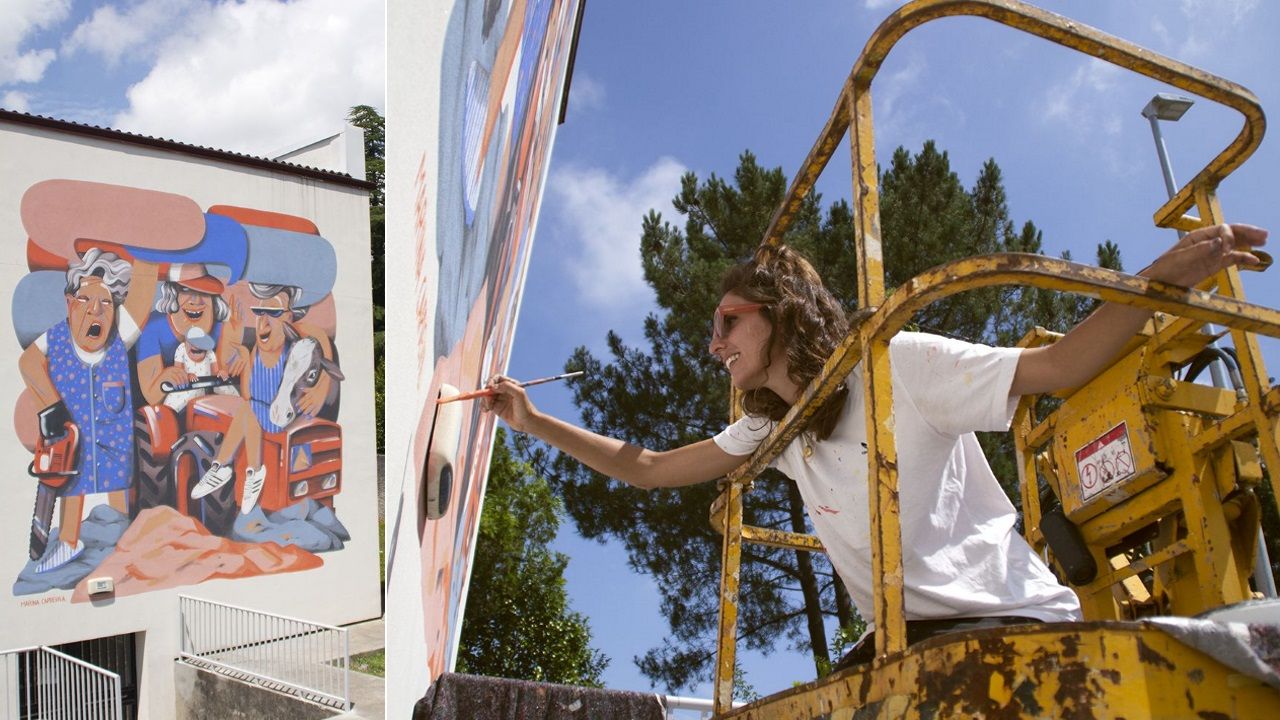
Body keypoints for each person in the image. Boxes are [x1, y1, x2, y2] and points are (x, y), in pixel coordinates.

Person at [483, 223, 1268, 664]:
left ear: (780, 310)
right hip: (906, 637)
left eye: (728, 320)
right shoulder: (775, 428)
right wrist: (532, 421)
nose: (713, 341)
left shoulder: (898, 365)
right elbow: (649, 469)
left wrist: (1161, 278)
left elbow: (1061, 366)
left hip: (1006, 619)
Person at [18, 248, 160, 572]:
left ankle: (122, 535)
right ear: (69, 303)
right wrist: (50, 408)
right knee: (71, 483)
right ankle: (68, 542)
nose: (95, 311)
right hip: (76, 439)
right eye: (85, 300)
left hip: (114, 437)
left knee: (119, 488)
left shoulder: (118, 336)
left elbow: (143, 289)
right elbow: (28, 363)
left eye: (106, 302)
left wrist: (147, 239)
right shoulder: (55, 339)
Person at [190, 283, 335, 514]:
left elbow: (319, 339)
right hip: (263, 417)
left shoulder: (297, 342)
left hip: (287, 418)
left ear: (289, 317)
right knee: (248, 407)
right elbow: (244, 388)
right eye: (259, 312)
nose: (263, 321)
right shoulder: (255, 352)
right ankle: (235, 468)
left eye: (274, 312)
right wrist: (233, 334)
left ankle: (235, 468)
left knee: (248, 410)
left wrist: (323, 384)